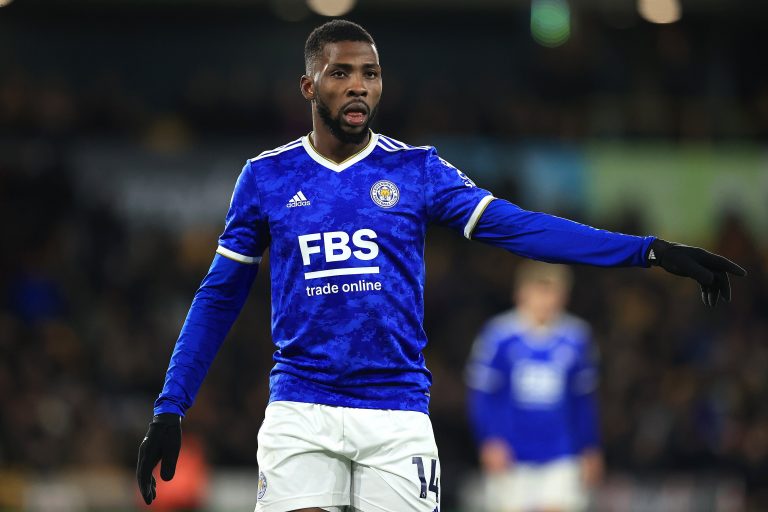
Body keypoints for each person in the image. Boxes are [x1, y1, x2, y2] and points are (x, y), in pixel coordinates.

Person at [135, 19, 746, 512]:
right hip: (302, 407)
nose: (358, 86)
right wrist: (170, 406)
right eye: (341, 73)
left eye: (370, 74)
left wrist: (647, 250)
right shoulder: (267, 177)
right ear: (308, 86)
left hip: (395, 411)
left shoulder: (417, 171)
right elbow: (218, 296)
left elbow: (522, 228)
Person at [466, 262, 602, 512]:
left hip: (561, 452)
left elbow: (583, 399)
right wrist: (489, 439)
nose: (545, 301)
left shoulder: (576, 337)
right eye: (539, 292)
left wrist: (589, 446)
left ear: (564, 296)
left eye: (552, 293)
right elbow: (482, 395)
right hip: (511, 452)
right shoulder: (498, 335)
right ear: (521, 293)